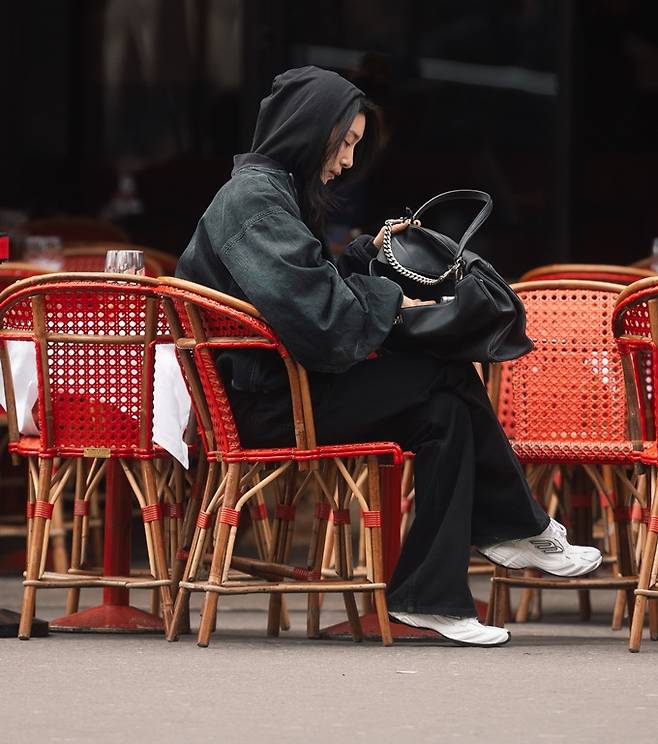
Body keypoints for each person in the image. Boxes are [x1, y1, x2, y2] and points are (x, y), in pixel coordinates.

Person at [177, 66, 602, 647]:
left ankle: (433, 597)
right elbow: (318, 318)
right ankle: (513, 528)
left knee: (443, 414)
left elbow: (304, 289)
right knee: (442, 373)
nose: (349, 161)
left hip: (277, 392)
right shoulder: (256, 201)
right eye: (345, 142)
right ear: (310, 131)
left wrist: (362, 255)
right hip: (265, 407)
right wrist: (391, 298)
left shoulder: (267, 194)